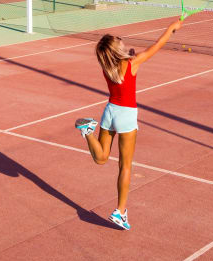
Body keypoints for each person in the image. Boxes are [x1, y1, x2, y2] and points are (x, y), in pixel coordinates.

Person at [78, 19, 182, 230]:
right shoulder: (132, 63)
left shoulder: (107, 66)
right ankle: (120, 211)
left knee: (101, 158)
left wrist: (130, 55)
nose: (123, 42)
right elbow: (157, 46)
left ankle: (87, 131)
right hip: (126, 115)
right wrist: (172, 28)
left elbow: (123, 62)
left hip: (110, 112)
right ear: (117, 48)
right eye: (120, 41)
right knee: (125, 166)